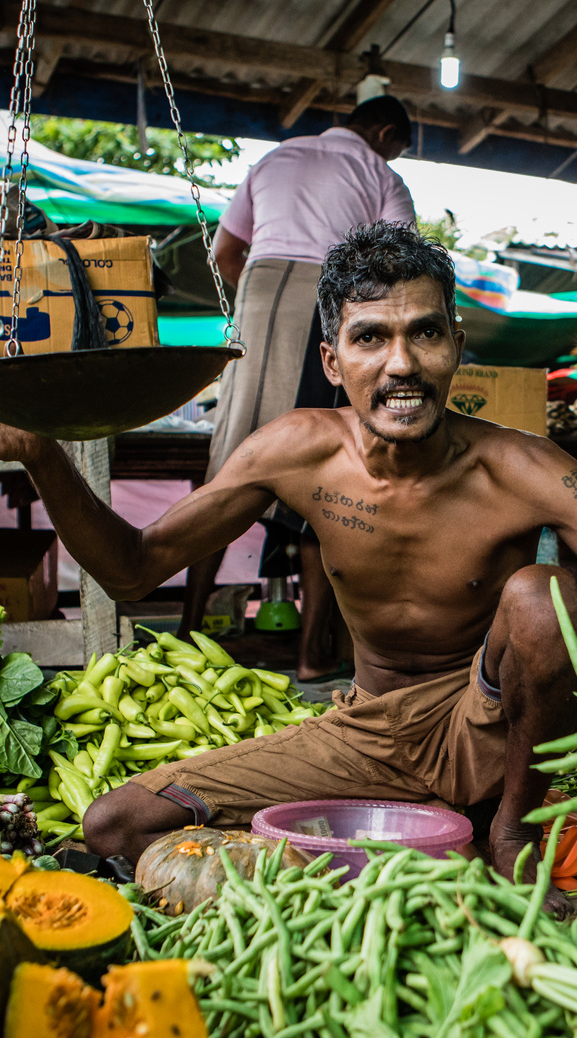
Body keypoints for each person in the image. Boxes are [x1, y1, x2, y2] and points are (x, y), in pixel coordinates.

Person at [0, 223, 577, 907]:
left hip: (494, 722)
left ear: (455, 344)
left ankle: (508, 835)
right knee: (116, 826)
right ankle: (417, 847)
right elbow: (135, 570)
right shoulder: (297, 452)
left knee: (541, 594)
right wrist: (45, 461)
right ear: (332, 360)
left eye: (424, 332)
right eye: (371, 337)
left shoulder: (526, 469)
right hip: (371, 733)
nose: (401, 364)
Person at [187, 94, 418, 681]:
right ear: (387, 133)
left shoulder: (274, 159)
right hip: (335, 296)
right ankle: (314, 655)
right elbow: (400, 266)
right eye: (396, 145)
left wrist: (262, 302)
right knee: (328, 468)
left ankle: (185, 635)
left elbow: (225, 252)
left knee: (232, 462)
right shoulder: (380, 173)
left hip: (260, 290)